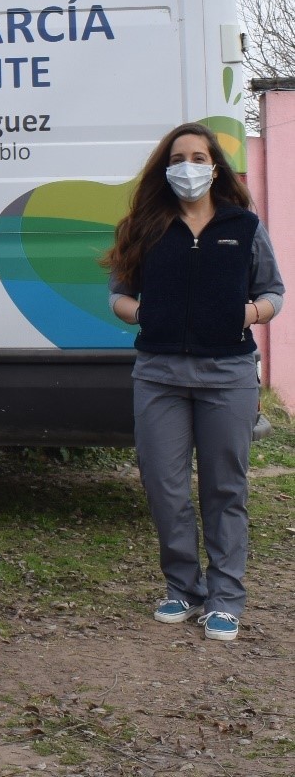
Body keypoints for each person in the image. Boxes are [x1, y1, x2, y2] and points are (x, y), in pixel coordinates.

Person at [105, 122, 283, 642]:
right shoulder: (145, 226)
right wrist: (141, 313)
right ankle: (183, 588)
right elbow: (118, 294)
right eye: (178, 158)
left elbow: (273, 291)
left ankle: (225, 597)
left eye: (199, 158)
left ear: (215, 168)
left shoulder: (243, 226)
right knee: (164, 487)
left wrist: (249, 313)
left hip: (228, 375)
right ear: (166, 169)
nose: (188, 167)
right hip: (159, 375)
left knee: (225, 488)